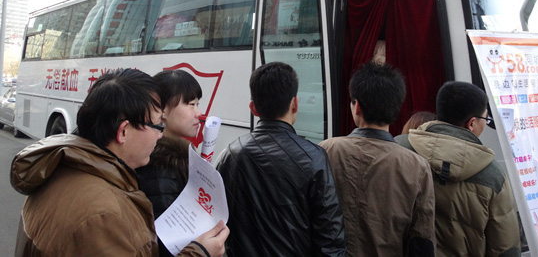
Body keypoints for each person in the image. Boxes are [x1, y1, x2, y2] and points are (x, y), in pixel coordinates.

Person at [10, 68, 228, 257]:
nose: (160, 135)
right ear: (123, 131)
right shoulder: (105, 215)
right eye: (157, 126)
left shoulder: (62, 168)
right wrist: (199, 252)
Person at [216, 61, 347, 257]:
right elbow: (331, 238)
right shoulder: (314, 157)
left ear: (253, 108)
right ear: (295, 104)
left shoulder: (231, 154)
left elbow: (216, 221)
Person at [319, 62, 435, 257]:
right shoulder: (417, 166)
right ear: (396, 108)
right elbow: (422, 239)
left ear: (357, 107)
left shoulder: (326, 150)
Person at [396, 81, 521, 257]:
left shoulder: (399, 149)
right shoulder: (493, 175)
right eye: (485, 119)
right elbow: (505, 248)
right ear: (471, 123)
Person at [137, 69, 203, 257]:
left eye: (198, 104)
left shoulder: (175, 155)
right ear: (163, 110)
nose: (198, 113)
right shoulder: (159, 165)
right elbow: (168, 241)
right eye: (191, 104)